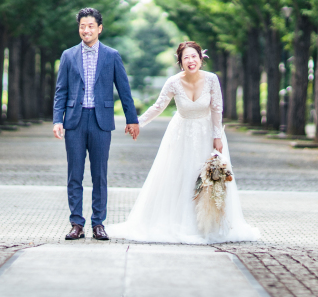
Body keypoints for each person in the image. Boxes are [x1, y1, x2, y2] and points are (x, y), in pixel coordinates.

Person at [109, 41, 259, 244]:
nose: (191, 61)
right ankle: (179, 222)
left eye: (194, 56)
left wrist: (217, 136)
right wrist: (137, 122)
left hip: (207, 134)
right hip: (181, 135)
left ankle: (211, 224)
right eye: (186, 57)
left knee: (209, 178)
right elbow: (158, 106)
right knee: (181, 176)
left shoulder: (212, 79)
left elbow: (217, 108)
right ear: (180, 62)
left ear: (201, 58)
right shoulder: (173, 82)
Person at [52, 7, 139, 241]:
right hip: (75, 122)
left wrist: (132, 120)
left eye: (90, 26)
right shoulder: (68, 55)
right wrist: (57, 120)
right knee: (75, 174)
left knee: (99, 174)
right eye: (82, 26)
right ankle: (76, 223)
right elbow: (61, 91)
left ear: (99, 28)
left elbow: (124, 89)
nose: (86, 30)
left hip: (101, 122)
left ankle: (98, 223)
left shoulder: (111, 55)